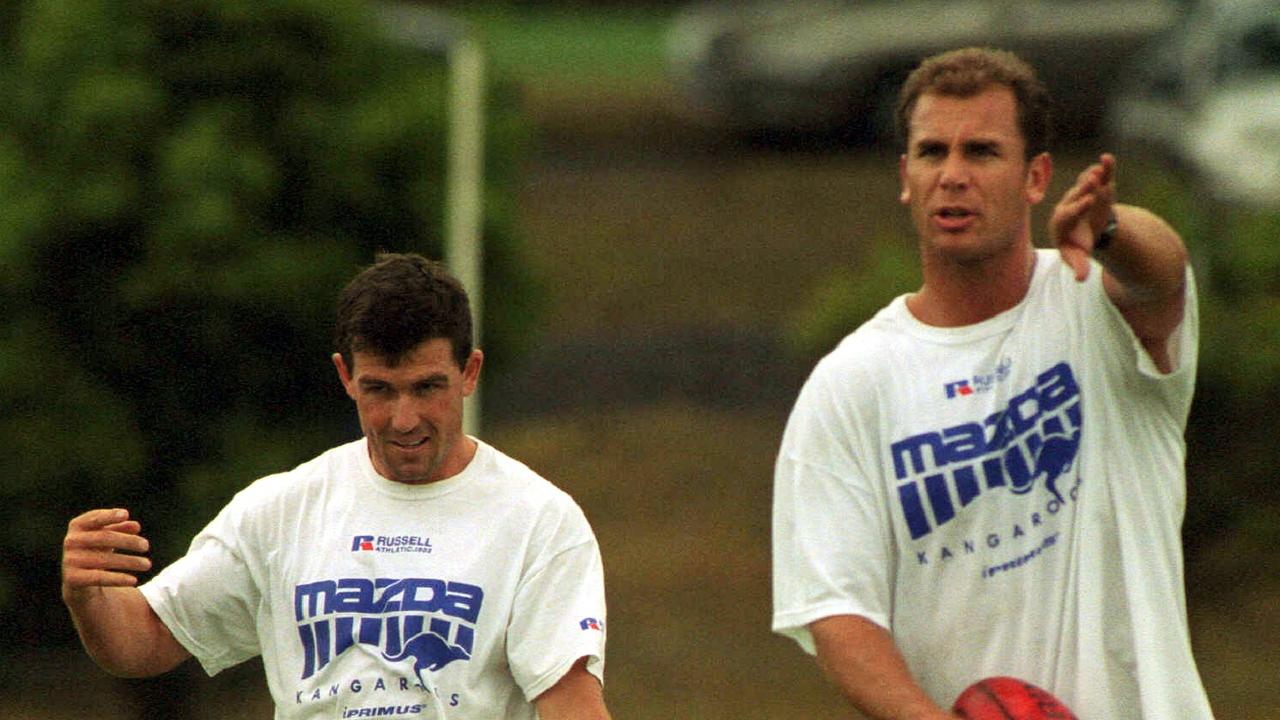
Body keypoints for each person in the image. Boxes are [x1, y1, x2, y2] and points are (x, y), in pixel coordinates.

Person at [771, 47, 1214, 719]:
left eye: (980, 152)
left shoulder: (1094, 304)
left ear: (1036, 178)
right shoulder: (851, 386)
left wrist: (1111, 230)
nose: (952, 176)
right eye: (931, 153)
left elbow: (1163, 276)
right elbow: (836, 613)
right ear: (905, 176)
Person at [62, 253, 612, 720]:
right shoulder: (281, 510)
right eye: (379, 389)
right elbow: (143, 642)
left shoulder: (538, 520)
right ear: (345, 375)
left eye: (427, 388)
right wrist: (87, 595)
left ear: (469, 372)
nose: (403, 419)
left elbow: (572, 703)